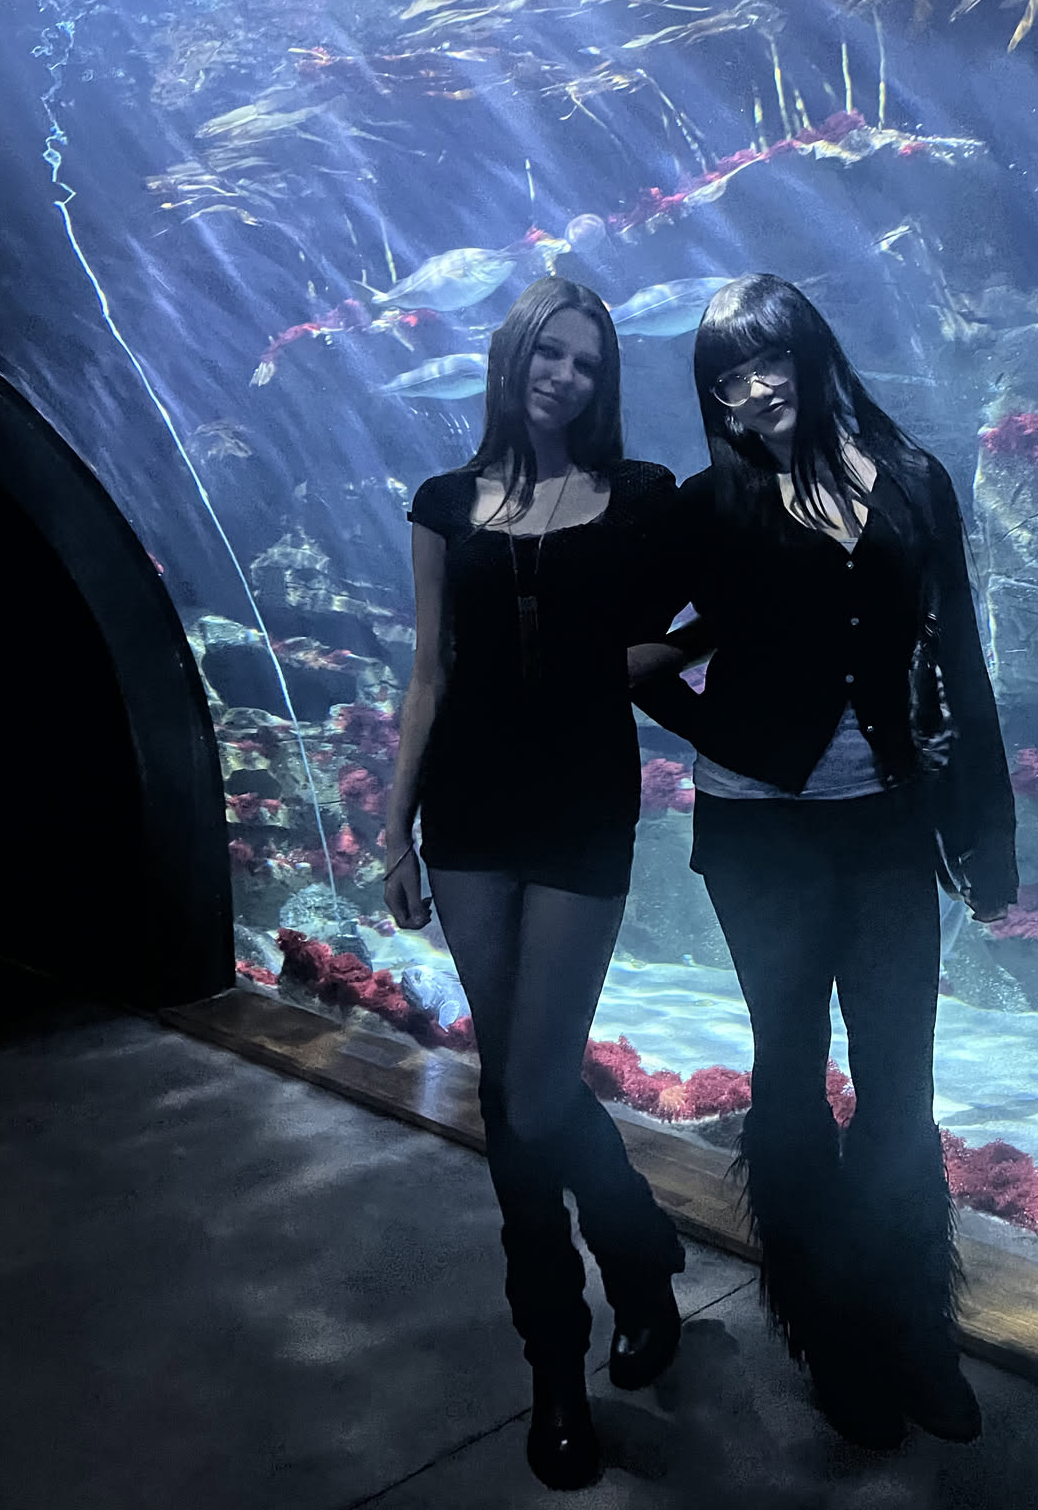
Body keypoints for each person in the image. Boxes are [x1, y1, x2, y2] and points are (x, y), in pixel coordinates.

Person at [633, 273, 1017, 1449]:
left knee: (902, 1085)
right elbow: (632, 653)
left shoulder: (911, 479)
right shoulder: (710, 505)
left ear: (810, 351)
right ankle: (828, 1337)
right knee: (792, 1082)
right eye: (726, 381)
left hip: (889, 824)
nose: (753, 393)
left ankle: (917, 1330)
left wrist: (988, 830)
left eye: (767, 364)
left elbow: (958, 650)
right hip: (763, 839)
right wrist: (725, 730)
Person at [382, 276, 686, 1492]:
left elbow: (697, 618)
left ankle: (618, 1277)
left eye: (587, 362)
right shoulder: (443, 501)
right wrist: (393, 829)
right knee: (516, 1092)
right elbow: (428, 670)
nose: (564, 376)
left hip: (579, 807)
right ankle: (575, 1337)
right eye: (548, 353)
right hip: (467, 810)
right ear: (510, 358)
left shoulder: (639, 495)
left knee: (537, 1086)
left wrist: (622, 668)